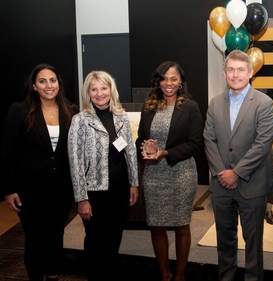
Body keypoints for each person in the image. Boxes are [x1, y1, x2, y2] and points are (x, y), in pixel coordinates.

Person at [203, 50, 273, 281]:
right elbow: (209, 139)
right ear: (225, 73)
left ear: (250, 72)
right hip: (220, 184)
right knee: (224, 240)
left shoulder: (264, 103)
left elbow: (263, 143)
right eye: (231, 70)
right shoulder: (215, 103)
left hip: (251, 185)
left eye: (240, 70)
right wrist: (221, 172)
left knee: (253, 243)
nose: (235, 75)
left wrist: (237, 172)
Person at [1, 64, 78, 281]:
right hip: (29, 190)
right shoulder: (19, 110)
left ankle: (52, 273)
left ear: (58, 84)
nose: (48, 85)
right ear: (34, 86)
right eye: (42, 81)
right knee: (34, 238)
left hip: (61, 189)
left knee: (56, 236)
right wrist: (9, 189)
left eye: (52, 80)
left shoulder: (70, 110)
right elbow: (8, 153)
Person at [68, 71, 139, 281]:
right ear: (88, 93)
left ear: (111, 90)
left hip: (119, 190)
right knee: (95, 241)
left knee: (115, 237)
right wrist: (81, 198)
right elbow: (75, 161)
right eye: (94, 89)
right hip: (94, 193)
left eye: (104, 88)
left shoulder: (121, 117)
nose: (100, 93)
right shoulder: (79, 120)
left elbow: (131, 152)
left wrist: (133, 184)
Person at [136, 61, 203, 281]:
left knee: (182, 226)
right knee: (156, 226)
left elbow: (195, 144)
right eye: (164, 78)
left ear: (181, 81)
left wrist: (164, 153)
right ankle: (164, 274)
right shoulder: (149, 105)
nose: (168, 83)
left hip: (181, 173)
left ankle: (180, 275)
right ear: (158, 81)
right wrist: (146, 147)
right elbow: (140, 137)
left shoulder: (190, 107)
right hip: (153, 175)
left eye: (173, 78)